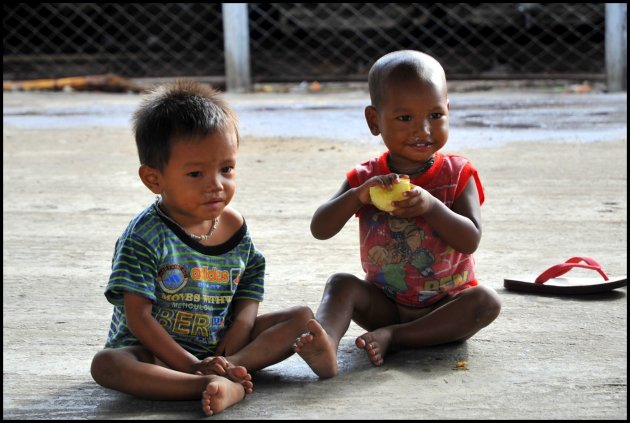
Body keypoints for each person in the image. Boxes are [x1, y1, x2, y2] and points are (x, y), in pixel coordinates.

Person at [90, 80, 314, 416]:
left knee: (301, 318)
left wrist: (240, 329)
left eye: (226, 169)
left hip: (221, 341)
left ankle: (231, 369)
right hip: (154, 351)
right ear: (154, 179)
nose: (217, 185)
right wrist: (192, 366)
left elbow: (251, 278)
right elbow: (138, 318)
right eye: (196, 173)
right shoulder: (145, 237)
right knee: (106, 364)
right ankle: (202, 385)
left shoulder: (233, 225)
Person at [294, 50, 501, 378]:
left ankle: (397, 337)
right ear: (375, 121)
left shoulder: (458, 174)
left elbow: (470, 238)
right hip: (385, 304)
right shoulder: (365, 178)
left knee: (486, 302)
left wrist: (432, 207)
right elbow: (320, 227)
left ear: (448, 111)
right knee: (341, 285)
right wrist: (357, 196)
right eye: (405, 118)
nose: (423, 130)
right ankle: (327, 344)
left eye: (435, 115)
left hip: (445, 307)